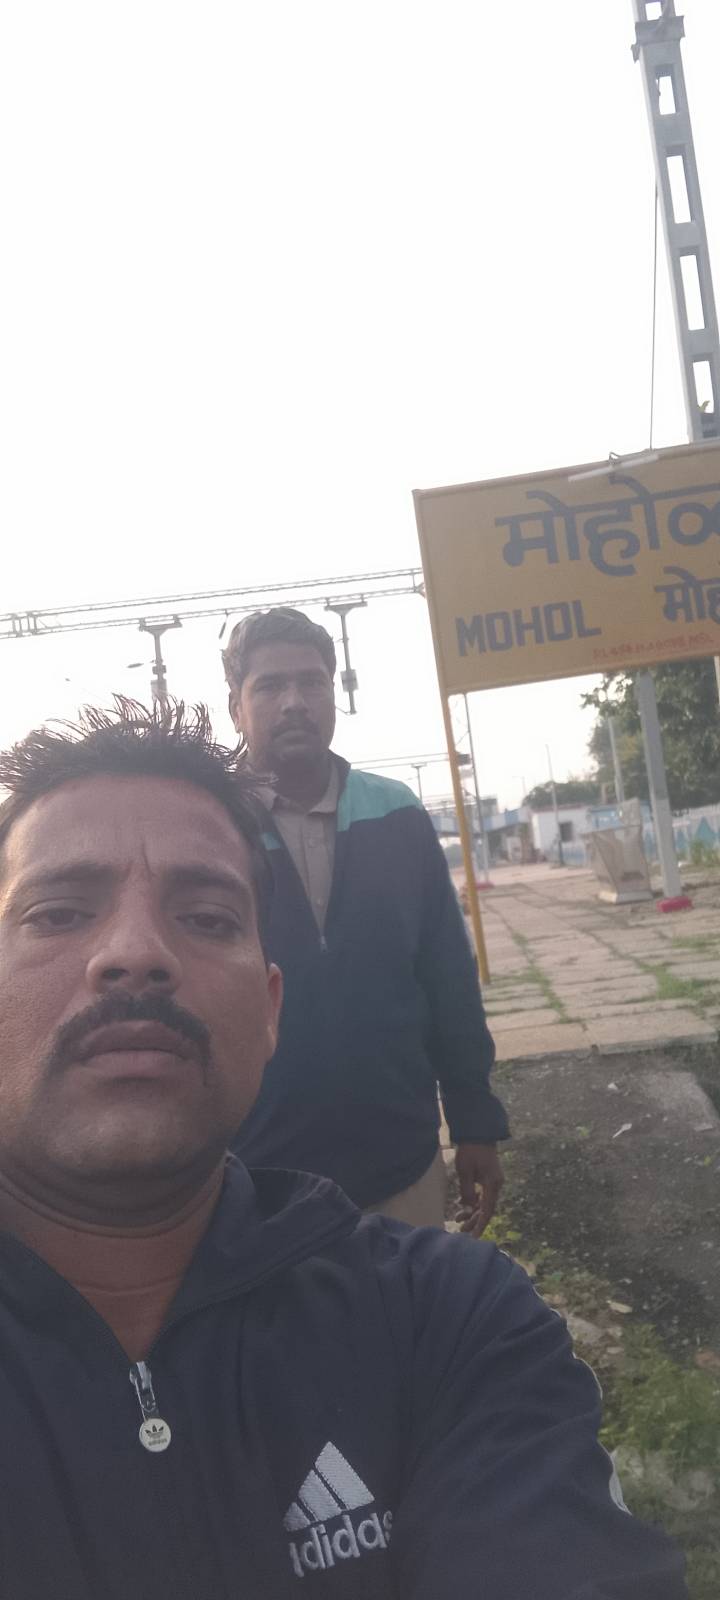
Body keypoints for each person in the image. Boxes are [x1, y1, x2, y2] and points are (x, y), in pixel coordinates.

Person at [0, 698, 686, 1598]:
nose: (134, 952)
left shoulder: (450, 1322)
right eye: (58, 913)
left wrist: (473, 1115)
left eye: (207, 917)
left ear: (270, 1010)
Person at [223, 606, 508, 1231]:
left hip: (399, 1161)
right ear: (235, 707)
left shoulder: (395, 814)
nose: (294, 702)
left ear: (334, 695)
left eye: (312, 682)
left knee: (406, 1294)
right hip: (251, 1176)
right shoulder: (208, 823)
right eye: (269, 686)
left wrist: (475, 1122)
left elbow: (447, 978)